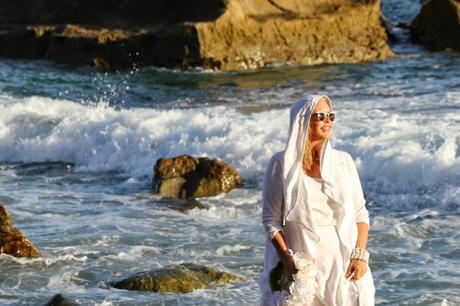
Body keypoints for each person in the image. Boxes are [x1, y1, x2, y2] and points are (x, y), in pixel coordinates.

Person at [259, 95, 375, 306]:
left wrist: (360, 256)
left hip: (344, 265)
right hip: (303, 267)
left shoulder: (344, 161)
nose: (328, 120)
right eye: (320, 116)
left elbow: (360, 212)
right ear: (302, 120)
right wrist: (288, 261)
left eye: (331, 115)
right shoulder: (281, 164)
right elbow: (271, 220)